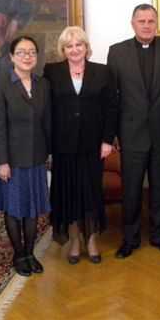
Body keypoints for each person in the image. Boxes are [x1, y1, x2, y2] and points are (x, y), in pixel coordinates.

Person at [107, 4, 160, 259]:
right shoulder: (117, 52)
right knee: (131, 190)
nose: (147, 25)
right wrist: (113, 132)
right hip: (130, 133)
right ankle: (130, 239)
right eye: (142, 21)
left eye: (151, 21)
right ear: (133, 24)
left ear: (157, 23)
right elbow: (112, 97)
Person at [45, 26, 117, 264]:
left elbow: (111, 109)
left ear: (86, 47)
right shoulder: (52, 72)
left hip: (93, 146)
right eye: (69, 46)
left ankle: (92, 240)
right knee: (69, 195)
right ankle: (75, 241)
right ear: (63, 50)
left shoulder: (102, 72)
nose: (74, 50)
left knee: (90, 194)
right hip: (62, 147)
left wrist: (107, 140)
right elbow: (47, 111)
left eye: (79, 45)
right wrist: (48, 149)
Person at [0, 36, 52, 277]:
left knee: (33, 209)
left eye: (32, 52)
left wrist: (49, 154)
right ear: (12, 57)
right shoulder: (1, 83)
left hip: (36, 157)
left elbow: (47, 122)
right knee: (15, 209)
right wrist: (2, 161)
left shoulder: (42, 84)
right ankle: (18, 255)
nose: (27, 57)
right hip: (12, 161)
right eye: (22, 52)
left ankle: (29, 253)